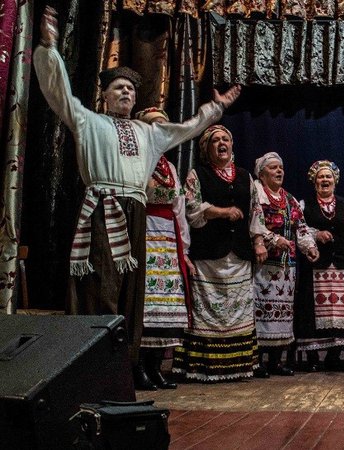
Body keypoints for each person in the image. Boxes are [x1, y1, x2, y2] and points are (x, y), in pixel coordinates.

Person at [33, 7, 241, 389]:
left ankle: (122, 370)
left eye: (131, 88)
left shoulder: (149, 134)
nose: (126, 92)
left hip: (136, 212)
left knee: (132, 294)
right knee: (101, 288)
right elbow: (58, 92)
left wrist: (218, 107)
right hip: (104, 208)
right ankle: (90, 369)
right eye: (118, 88)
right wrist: (49, 50)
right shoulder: (88, 121)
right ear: (105, 96)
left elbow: (188, 127)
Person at [172, 125, 275, 382]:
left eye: (225, 139)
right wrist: (221, 211)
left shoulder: (245, 176)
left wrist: (259, 241)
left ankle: (239, 365)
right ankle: (203, 367)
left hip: (238, 253)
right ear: (207, 148)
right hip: (208, 253)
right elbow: (191, 208)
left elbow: (255, 211)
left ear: (231, 145)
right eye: (215, 140)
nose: (221, 143)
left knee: (238, 309)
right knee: (207, 309)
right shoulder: (197, 175)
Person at [133, 107, 195, 390]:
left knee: (165, 306)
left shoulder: (169, 168)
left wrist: (184, 250)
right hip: (144, 234)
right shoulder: (137, 160)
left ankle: (157, 367)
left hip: (168, 240)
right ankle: (138, 368)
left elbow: (179, 209)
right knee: (145, 304)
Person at [295, 161, 344, 371]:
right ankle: (312, 357)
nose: (325, 180)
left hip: (341, 265)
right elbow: (300, 229)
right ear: (314, 181)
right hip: (317, 265)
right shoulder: (304, 204)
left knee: (340, 311)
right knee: (313, 310)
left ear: (335, 180)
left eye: (328, 176)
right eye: (321, 177)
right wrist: (316, 235)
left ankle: (334, 356)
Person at [252, 152, 319, 377]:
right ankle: (256, 361)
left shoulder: (289, 199)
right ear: (261, 174)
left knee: (282, 314)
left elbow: (300, 227)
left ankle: (276, 361)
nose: (279, 171)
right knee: (260, 310)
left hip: (286, 267)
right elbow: (255, 224)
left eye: (280, 167)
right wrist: (273, 239)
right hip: (263, 263)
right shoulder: (257, 195)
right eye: (273, 168)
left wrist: (309, 246)